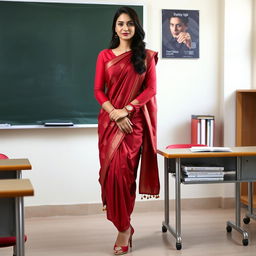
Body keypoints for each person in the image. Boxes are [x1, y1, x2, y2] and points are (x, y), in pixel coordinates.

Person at [94, 6, 160, 255]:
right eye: (120, 23)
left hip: (133, 125)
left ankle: (123, 229)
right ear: (115, 27)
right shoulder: (104, 55)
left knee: (124, 176)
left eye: (130, 23)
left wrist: (128, 110)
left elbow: (150, 89)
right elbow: (98, 90)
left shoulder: (146, 56)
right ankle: (125, 226)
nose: (125, 28)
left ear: (136, 27)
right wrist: (114, 112)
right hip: (110, 123)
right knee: (109, 175)